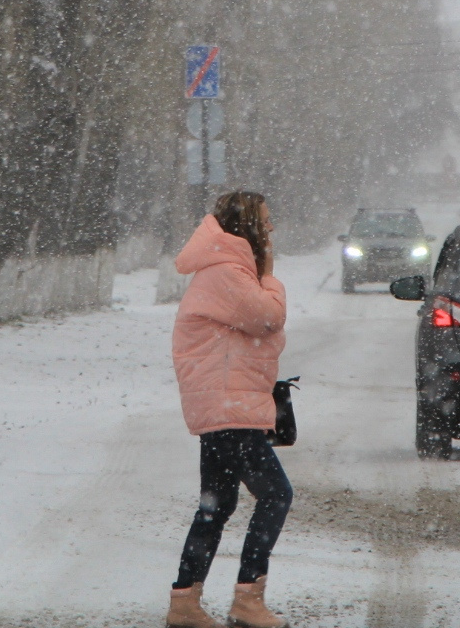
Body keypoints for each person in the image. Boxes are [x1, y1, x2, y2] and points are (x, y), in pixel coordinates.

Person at [166, 190, 292, 628]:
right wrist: (271, 279)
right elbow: (266, 318)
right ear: (248, 227)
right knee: (276, 494)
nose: (272, 227)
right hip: (227, 406)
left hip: (224, 405)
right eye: (266, 219)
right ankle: (247, 599)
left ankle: (184, 604)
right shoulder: (227, 272)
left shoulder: (229, 269)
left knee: (216, 507)